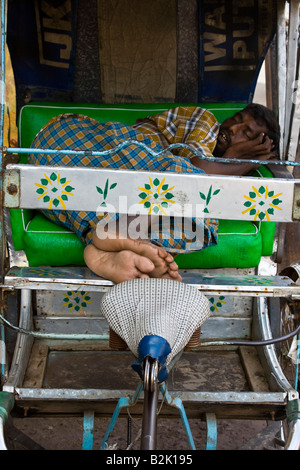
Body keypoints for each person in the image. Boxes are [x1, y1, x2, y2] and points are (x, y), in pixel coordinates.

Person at [29, 104, 279, 283]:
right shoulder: (205, 120)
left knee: (198, 220)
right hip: (74, 142)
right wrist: (242, 160)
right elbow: (194, 170)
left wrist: (242, 164)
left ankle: (104, 248)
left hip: (81, 188)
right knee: (183, 180)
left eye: (247, 134)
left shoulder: (225, 174)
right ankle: (118, 232)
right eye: (237, 118)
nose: (234, 128)